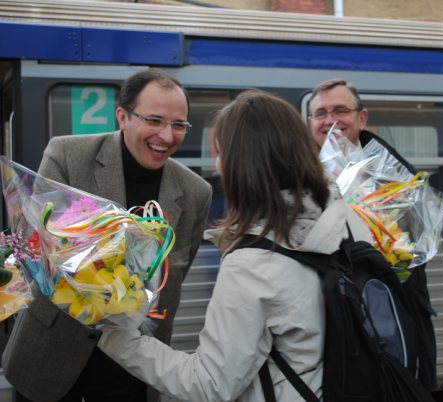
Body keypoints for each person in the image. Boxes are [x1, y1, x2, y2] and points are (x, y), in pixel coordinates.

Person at [95, 89, 370, 401]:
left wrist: (117, 336)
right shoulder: (348, 221)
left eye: (220, 153)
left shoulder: (252, 265)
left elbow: (210, 384)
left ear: (243, 165)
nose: (217, 165)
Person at [4, 68, 212, 402]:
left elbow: (172, 276)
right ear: (122, 116)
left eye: (179, 125)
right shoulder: (68, 155)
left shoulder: (195, 191)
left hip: (133, 365)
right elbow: (36, 247)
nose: (167, 136)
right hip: (51, 349)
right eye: (155, 120)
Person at [307, 78, 437, 391]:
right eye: (321, 113)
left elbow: (415, 248)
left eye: (340, 110)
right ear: (310, 122)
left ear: (361, 118)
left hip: (391, 318)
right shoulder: (302, 174)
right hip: (327, 320)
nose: (330, 121)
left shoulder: (393, 173)